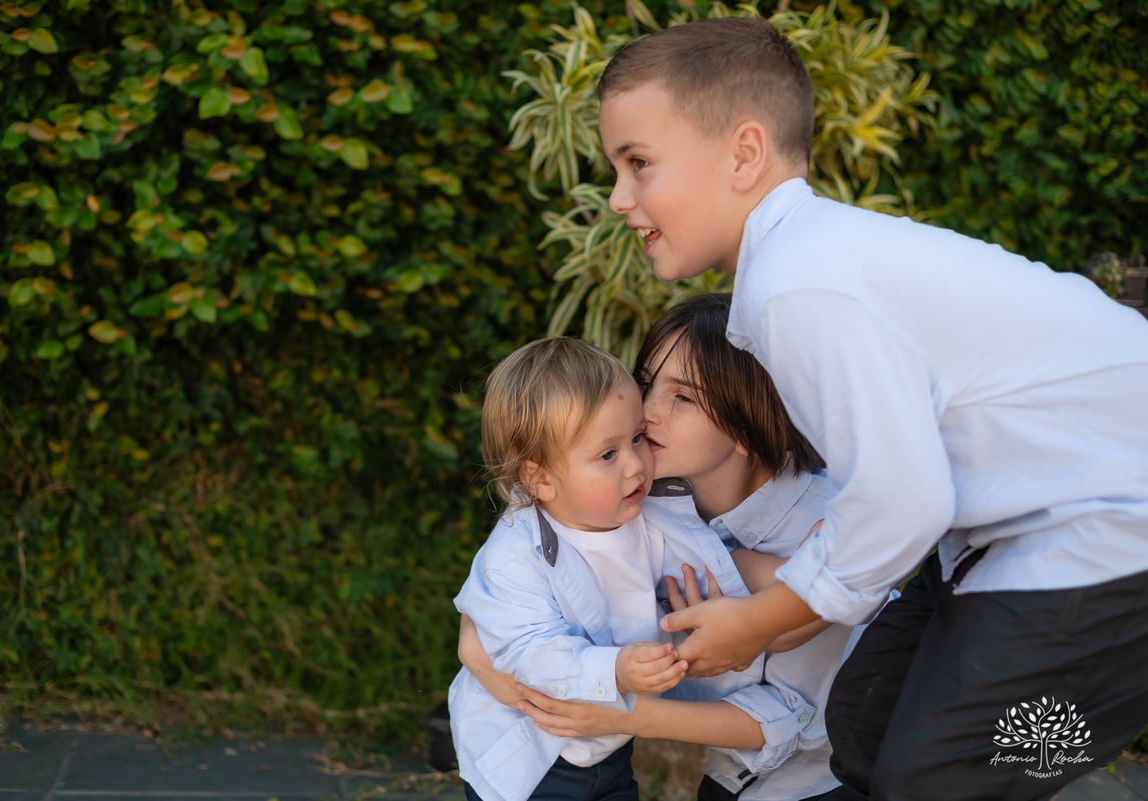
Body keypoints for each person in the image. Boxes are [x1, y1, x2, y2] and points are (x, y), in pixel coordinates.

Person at [595, 14, 1148, 800]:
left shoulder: (800, 283)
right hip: (1008, 537)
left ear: (744, 154)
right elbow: (891, 500)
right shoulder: (807, 264)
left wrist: (754, 623)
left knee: (934, 780)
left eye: (639, 163)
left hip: (1109, 533)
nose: (620, 197)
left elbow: (901, 503)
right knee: (865, 720)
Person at [460, 294, 869, 801]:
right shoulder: (635, 495)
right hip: (530, 760)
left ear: (747, 423)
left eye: (684, 398)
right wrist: (475, 634)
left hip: (821, 781)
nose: (647, 413)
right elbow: (533, 537)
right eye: (647, 382)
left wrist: (824, 564)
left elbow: (782, 653)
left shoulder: (833, 521)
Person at [451, 336, 696, 801]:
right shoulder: (515, 556)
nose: (635, 465)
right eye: (608, 455)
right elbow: (529, 653)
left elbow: (705, 567)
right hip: (531, 758)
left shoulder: (649, 517)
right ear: (540, 478)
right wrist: (615, 669)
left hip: (607, 745)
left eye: (637, 438)